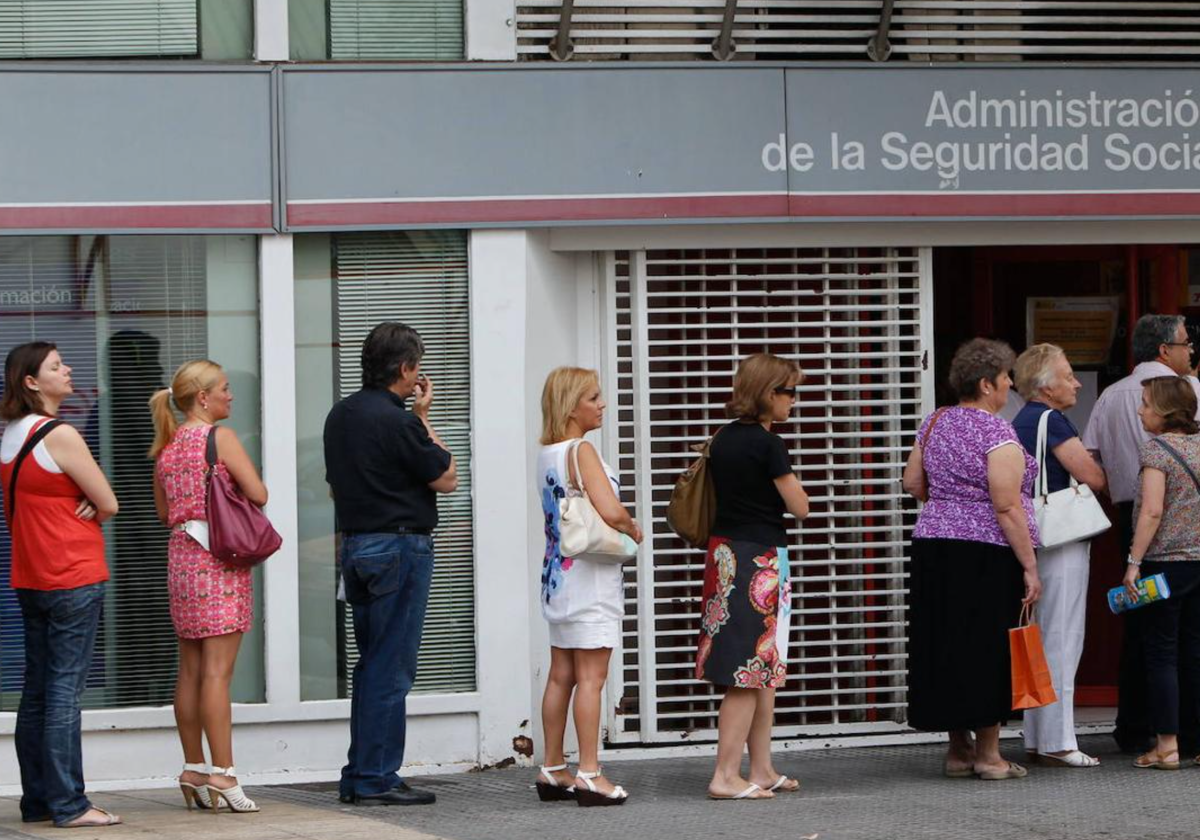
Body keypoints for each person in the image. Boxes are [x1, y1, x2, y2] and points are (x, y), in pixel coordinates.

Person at [324, 322, 457, 807]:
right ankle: (376, 777)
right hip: (400, 547)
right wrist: (423, 416)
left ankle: (362, 771)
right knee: (391, 667)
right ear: (405, 369)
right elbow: (446, 477)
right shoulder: (398, 421)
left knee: (371, 664)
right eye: (416, 368)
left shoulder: (340, 415)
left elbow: (335, 486)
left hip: (357, 547)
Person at [902, 338, 1042, 781]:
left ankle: (957, 750)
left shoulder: (935, 421)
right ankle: (990, 755)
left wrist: (948, 500)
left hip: (934, 545)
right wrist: (1030, 565)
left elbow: (912, 483)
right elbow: (1006, 505)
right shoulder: (997, 432)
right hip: (986, 551)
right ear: (986, 384)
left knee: (944, 641)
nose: (1009, 387)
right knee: (987, 646)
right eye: (1005, 379)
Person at [0, 342, 121, 828]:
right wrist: (94, 505)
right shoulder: (61, 433)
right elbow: (109, 501)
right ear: (32, 382)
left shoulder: (9, 434)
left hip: (31, 575)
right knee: (64, 693)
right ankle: (71, 804)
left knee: (37, 693)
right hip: (72, 573)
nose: (67, 370)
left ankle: (39, 801)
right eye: (56, 366)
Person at [150, 360, 267, 813]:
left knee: (191, 670)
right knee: (218, 673)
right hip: (218, 559)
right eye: (224, 388)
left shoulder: (169, 445)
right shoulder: (220, 439)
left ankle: (193, 767)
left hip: (181, 558)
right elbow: (258, 494)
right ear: (203, 397)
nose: (230, 395)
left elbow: (164, 513)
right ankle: (224, 772)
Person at [1084, 313, 1200, 754]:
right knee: (1188, 646)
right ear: (1164, 350)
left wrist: (1133, 560)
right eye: (1187, 343)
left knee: (1149, 640)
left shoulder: (1110, 396)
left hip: (1147, 531)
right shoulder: (1193, 393)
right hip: (1189, 535)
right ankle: (1189, 735)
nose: (1191, 351)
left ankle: (1139, 730)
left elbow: (1093, 462)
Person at [695, 353, 809, 800]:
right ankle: (726, 774)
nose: (794, 402)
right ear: (769, 394)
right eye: (790, 392)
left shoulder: (722, 438)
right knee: (748, 671)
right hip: (759, 559)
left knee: (762, 671)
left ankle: (760, 767)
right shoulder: (768, 444)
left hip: (724, 555)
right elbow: (799, 506)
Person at [534, 367, 643, 806]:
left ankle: (553, 766)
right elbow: (610, 510)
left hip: (557, 580)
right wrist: (634, 529)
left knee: (561, 675)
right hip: (590, 579)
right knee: (593, 679)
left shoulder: (548, 452)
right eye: (593, 398)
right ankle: (590, 773)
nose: (602, 405)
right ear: (571, 405)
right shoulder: (582, 450)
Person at [1011, 344, 1107, 767]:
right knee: (1064, 636)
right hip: (1062, 539)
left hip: (1035, 538)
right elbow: (1092, 476)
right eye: (1068, 376)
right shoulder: (1054, 421)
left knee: (1043, 633)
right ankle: (1060, 740)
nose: (1077, 382)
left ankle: (1038, 734)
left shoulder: (1019, 420)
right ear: (1046, 387)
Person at [1121, 376, 1200, 770]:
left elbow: (1151, 511)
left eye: (1146, 404)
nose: (1140, 410)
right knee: (1195, 652)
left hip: (1165, 564)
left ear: (1166, 410)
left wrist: (1133, 562)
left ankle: (1166, 745)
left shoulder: (1157, 451)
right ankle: (1196, 740)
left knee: (1161, 654)